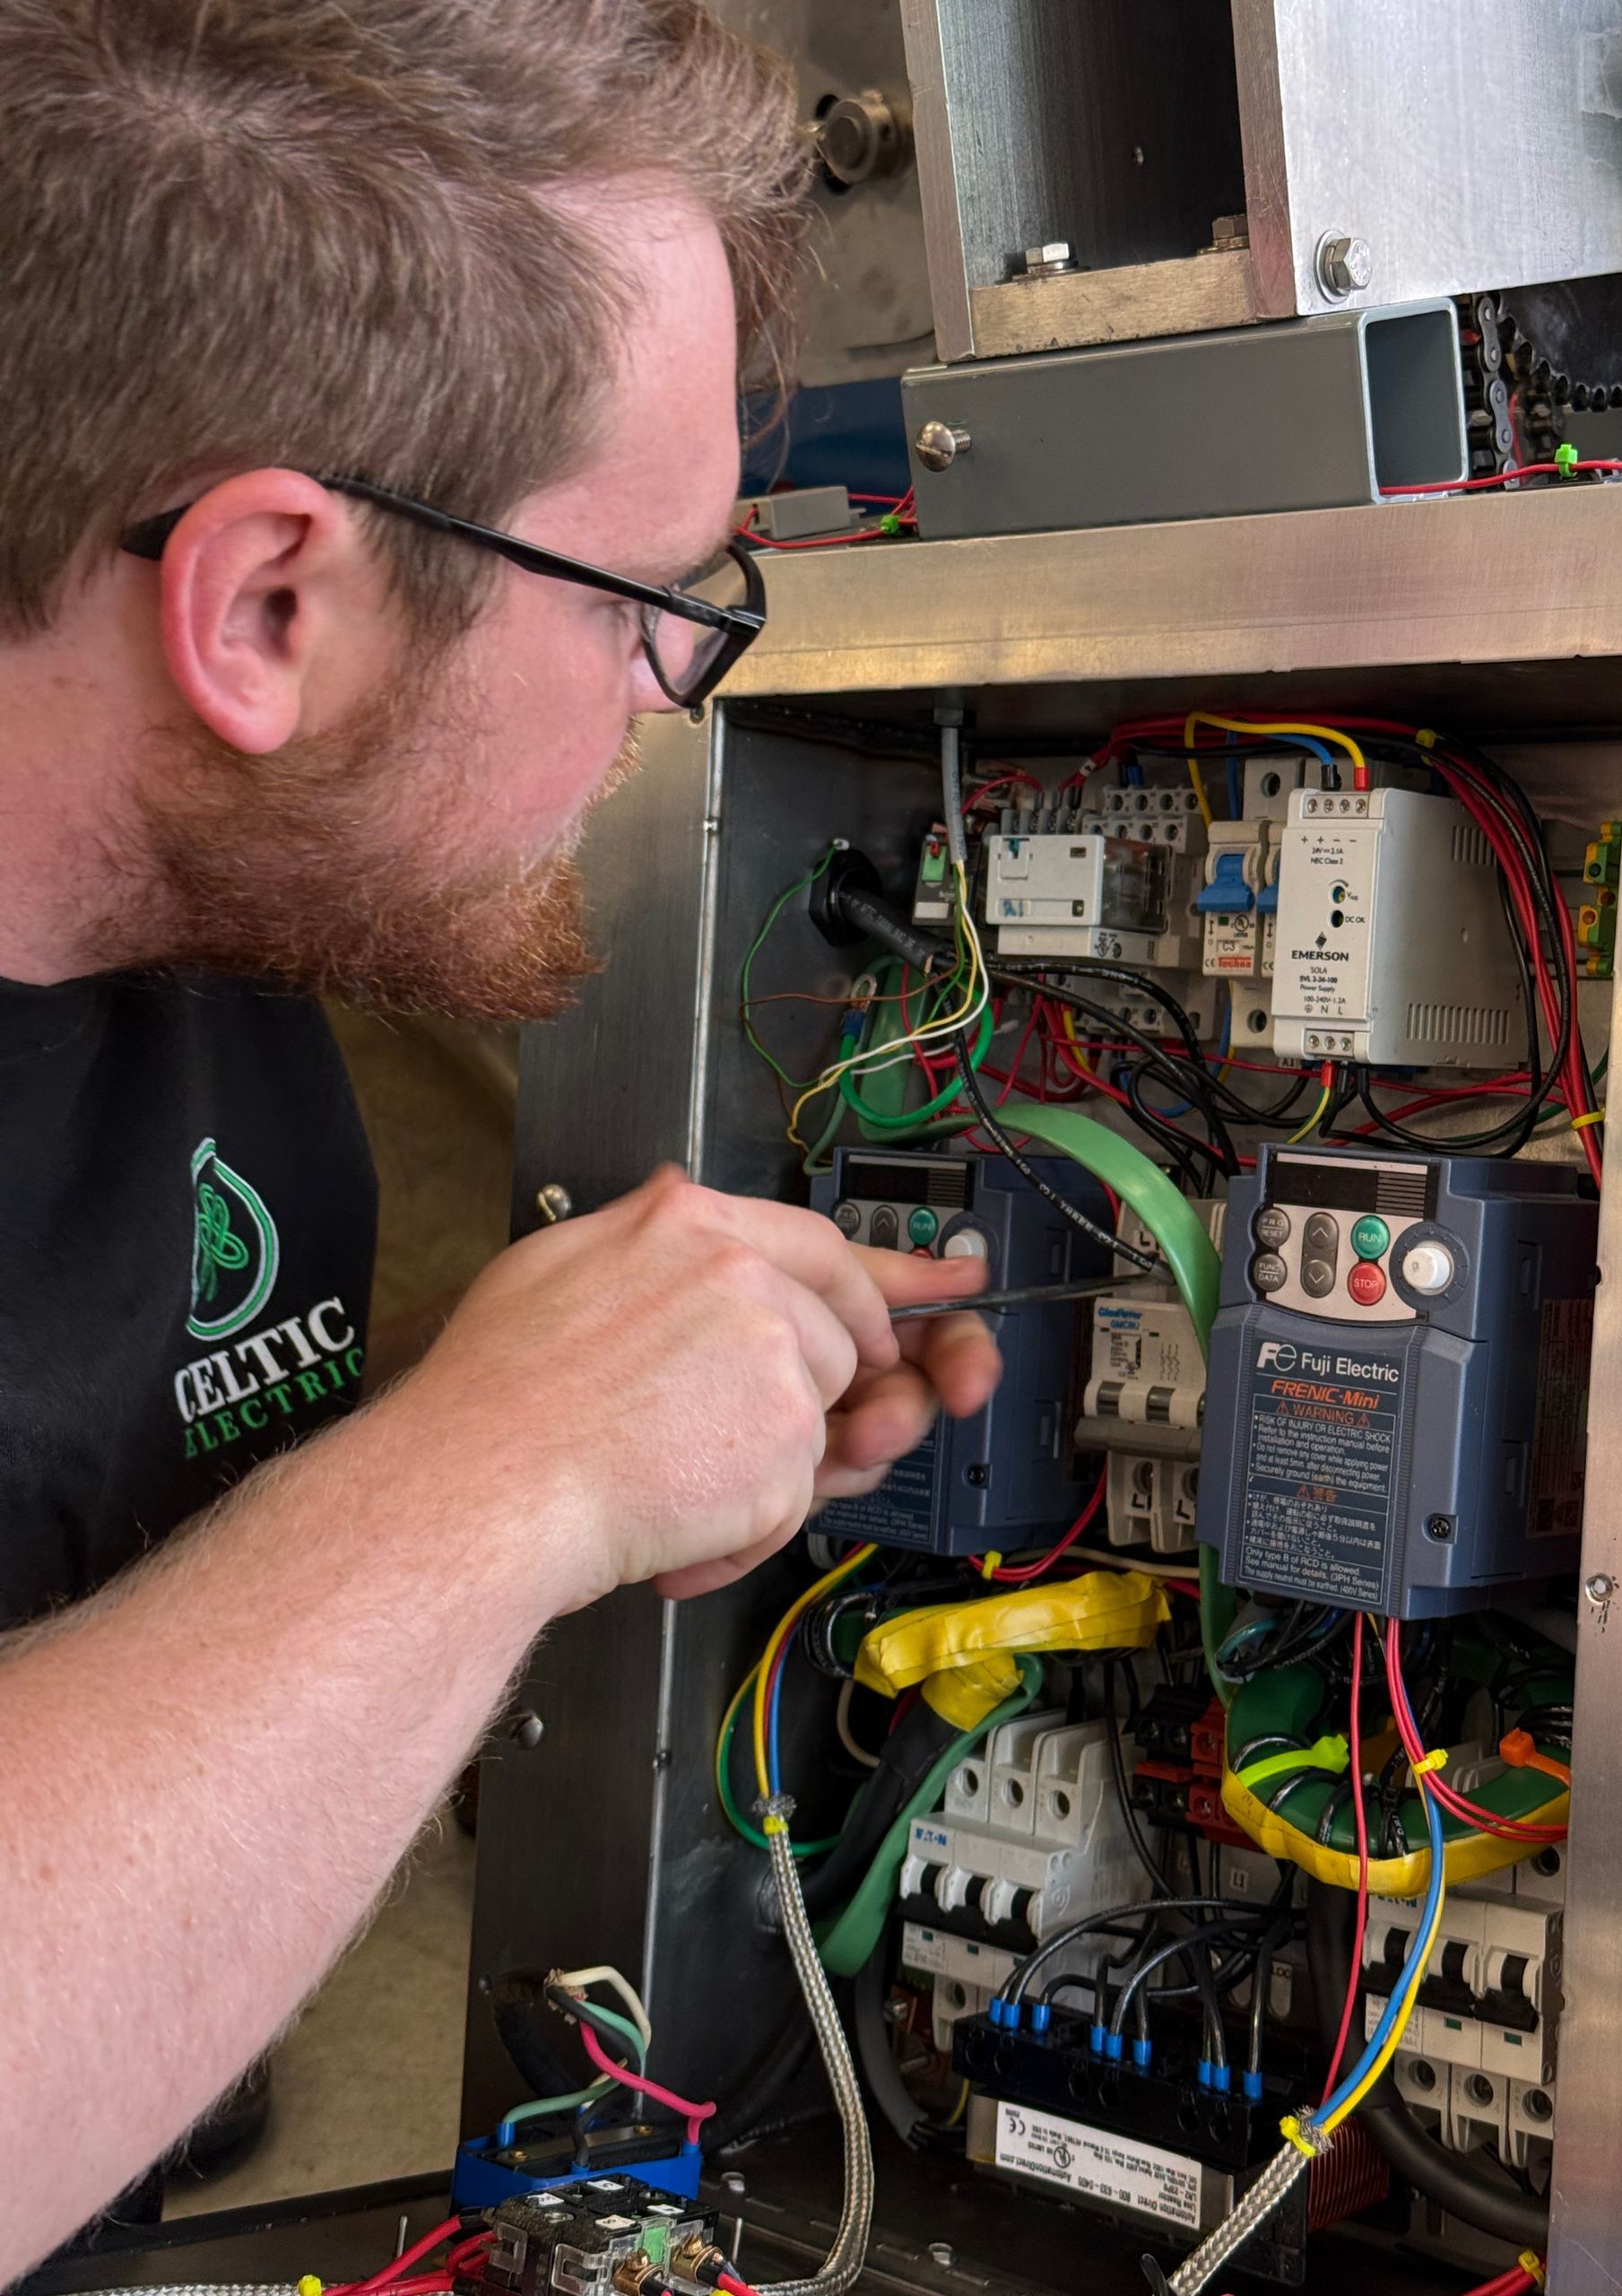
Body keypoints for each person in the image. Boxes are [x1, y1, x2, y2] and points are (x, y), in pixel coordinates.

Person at [0, 2, 1002, 2274]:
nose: (670, 709)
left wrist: (578, 1393)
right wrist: (491, 1478)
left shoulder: (207, 891)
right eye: (656, 608)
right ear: (265, 604)